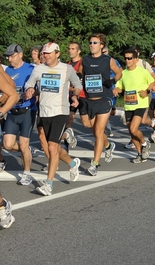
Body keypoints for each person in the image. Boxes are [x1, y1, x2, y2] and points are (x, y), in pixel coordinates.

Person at [24, 42, 82, 196]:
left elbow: (77, 85)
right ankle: (72, 162)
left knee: (51, 147)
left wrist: (75, 95)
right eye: (44, 53)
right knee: (54, 147)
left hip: (60, 112)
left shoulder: (67, 69)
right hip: (44, 112)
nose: (46, 56)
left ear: (57, 53)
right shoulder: (39, 69)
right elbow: (30, 84)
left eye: (49, 53)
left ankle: (48, 184)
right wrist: (30, 89)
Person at [79, 34, 122, 176]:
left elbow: (119, 72)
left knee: (98, 132)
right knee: (89, 126)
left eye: (95, 42)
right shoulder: (84, 60)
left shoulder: (108, 60)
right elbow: (80, 74)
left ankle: (95, 164)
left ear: (101, 45)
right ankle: (108, 146)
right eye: (90, 42)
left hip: (104, 99)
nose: (91, 45)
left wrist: (113, 80)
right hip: (89, 100)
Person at [3, 44, 36, 185]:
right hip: (11, 111)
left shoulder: (31, 69)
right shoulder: (7, 71)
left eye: (12, 55)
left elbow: (40, 88)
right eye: (8, 56)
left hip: (27, 111)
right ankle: (28, 150)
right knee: (8, 145)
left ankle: (27, 173)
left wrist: (33, 92)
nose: (10, 59)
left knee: (23, 145)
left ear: (20, 55)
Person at [114, 48, 154, 163]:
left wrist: (147, 91)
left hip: (140, 104)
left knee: (133, 128)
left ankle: (145, 144)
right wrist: (117, 89)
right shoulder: (124, 73)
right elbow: (120, 86)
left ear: (136, 59)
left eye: (130, 58)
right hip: (128, 105)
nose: (127, 60)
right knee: (132, 133)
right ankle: (140, 153)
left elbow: (152, 82)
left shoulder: (142, 71)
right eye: (125, 58)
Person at [102, 46, 124, 137]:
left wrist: (117, 86)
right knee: (103, 109)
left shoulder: (113, 61)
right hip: (102, 88)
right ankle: (108, 129)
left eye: (105, 52)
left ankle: (120, 113)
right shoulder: (98, 61)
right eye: (102, 52)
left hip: (112, 87)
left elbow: (121, 72)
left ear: (108, 51)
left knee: (108, 109)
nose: (103, 53)